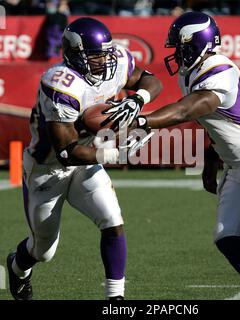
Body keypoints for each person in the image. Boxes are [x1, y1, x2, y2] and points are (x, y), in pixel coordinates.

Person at [106, 12, 240, 300]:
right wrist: (211, 163)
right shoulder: (191, 74)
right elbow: (213, 122)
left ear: (196, 45)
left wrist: (143, 121)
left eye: (180, 47)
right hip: (237, 167)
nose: (176, 54)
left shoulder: (219, 69)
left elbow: (191, 109)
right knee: (227, 238)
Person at [6, 17, 162, 300]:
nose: (106, 60)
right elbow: (66, 152)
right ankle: (17, 268)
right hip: (48, 168)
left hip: (88, 162)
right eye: (96, 56)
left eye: (106, 53)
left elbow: (150, 80)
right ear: (76, 55)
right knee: (43, 250)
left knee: (112, 220)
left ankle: (115, 299)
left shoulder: (116, 61)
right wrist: (118, 152)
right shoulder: (61, 84)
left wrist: (137, 99)